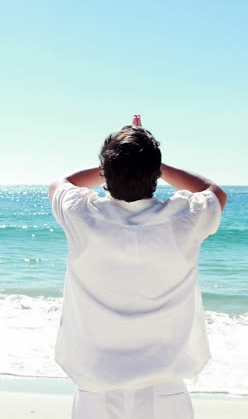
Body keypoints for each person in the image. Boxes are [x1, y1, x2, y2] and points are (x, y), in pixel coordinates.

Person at [49, 115, 227, 419]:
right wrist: (151, 162)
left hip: (96, 386)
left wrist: (117, 163)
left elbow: (60, 184)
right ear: (156, 173)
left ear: (105, 173)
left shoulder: (83, 218)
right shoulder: (184, 219)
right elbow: (214, 192)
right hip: (165, 389)